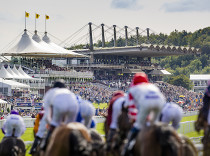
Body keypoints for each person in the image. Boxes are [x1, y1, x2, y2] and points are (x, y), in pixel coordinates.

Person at [122, 72, 166, 156]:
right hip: (161, 102)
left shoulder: (133, 89)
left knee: (137, 126)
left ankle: (127, 148)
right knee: (154, 125)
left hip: (146, 103)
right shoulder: (152, 86)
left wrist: (133, 119)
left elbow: (129, 106)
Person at [30, 80, 79, 153]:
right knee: (70, 127)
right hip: (73, 105)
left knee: (47, 126)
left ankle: (37, 148)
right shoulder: (69, 92)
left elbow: (47, 112)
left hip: (58, 106)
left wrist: (51, 123)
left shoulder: (50, 92)